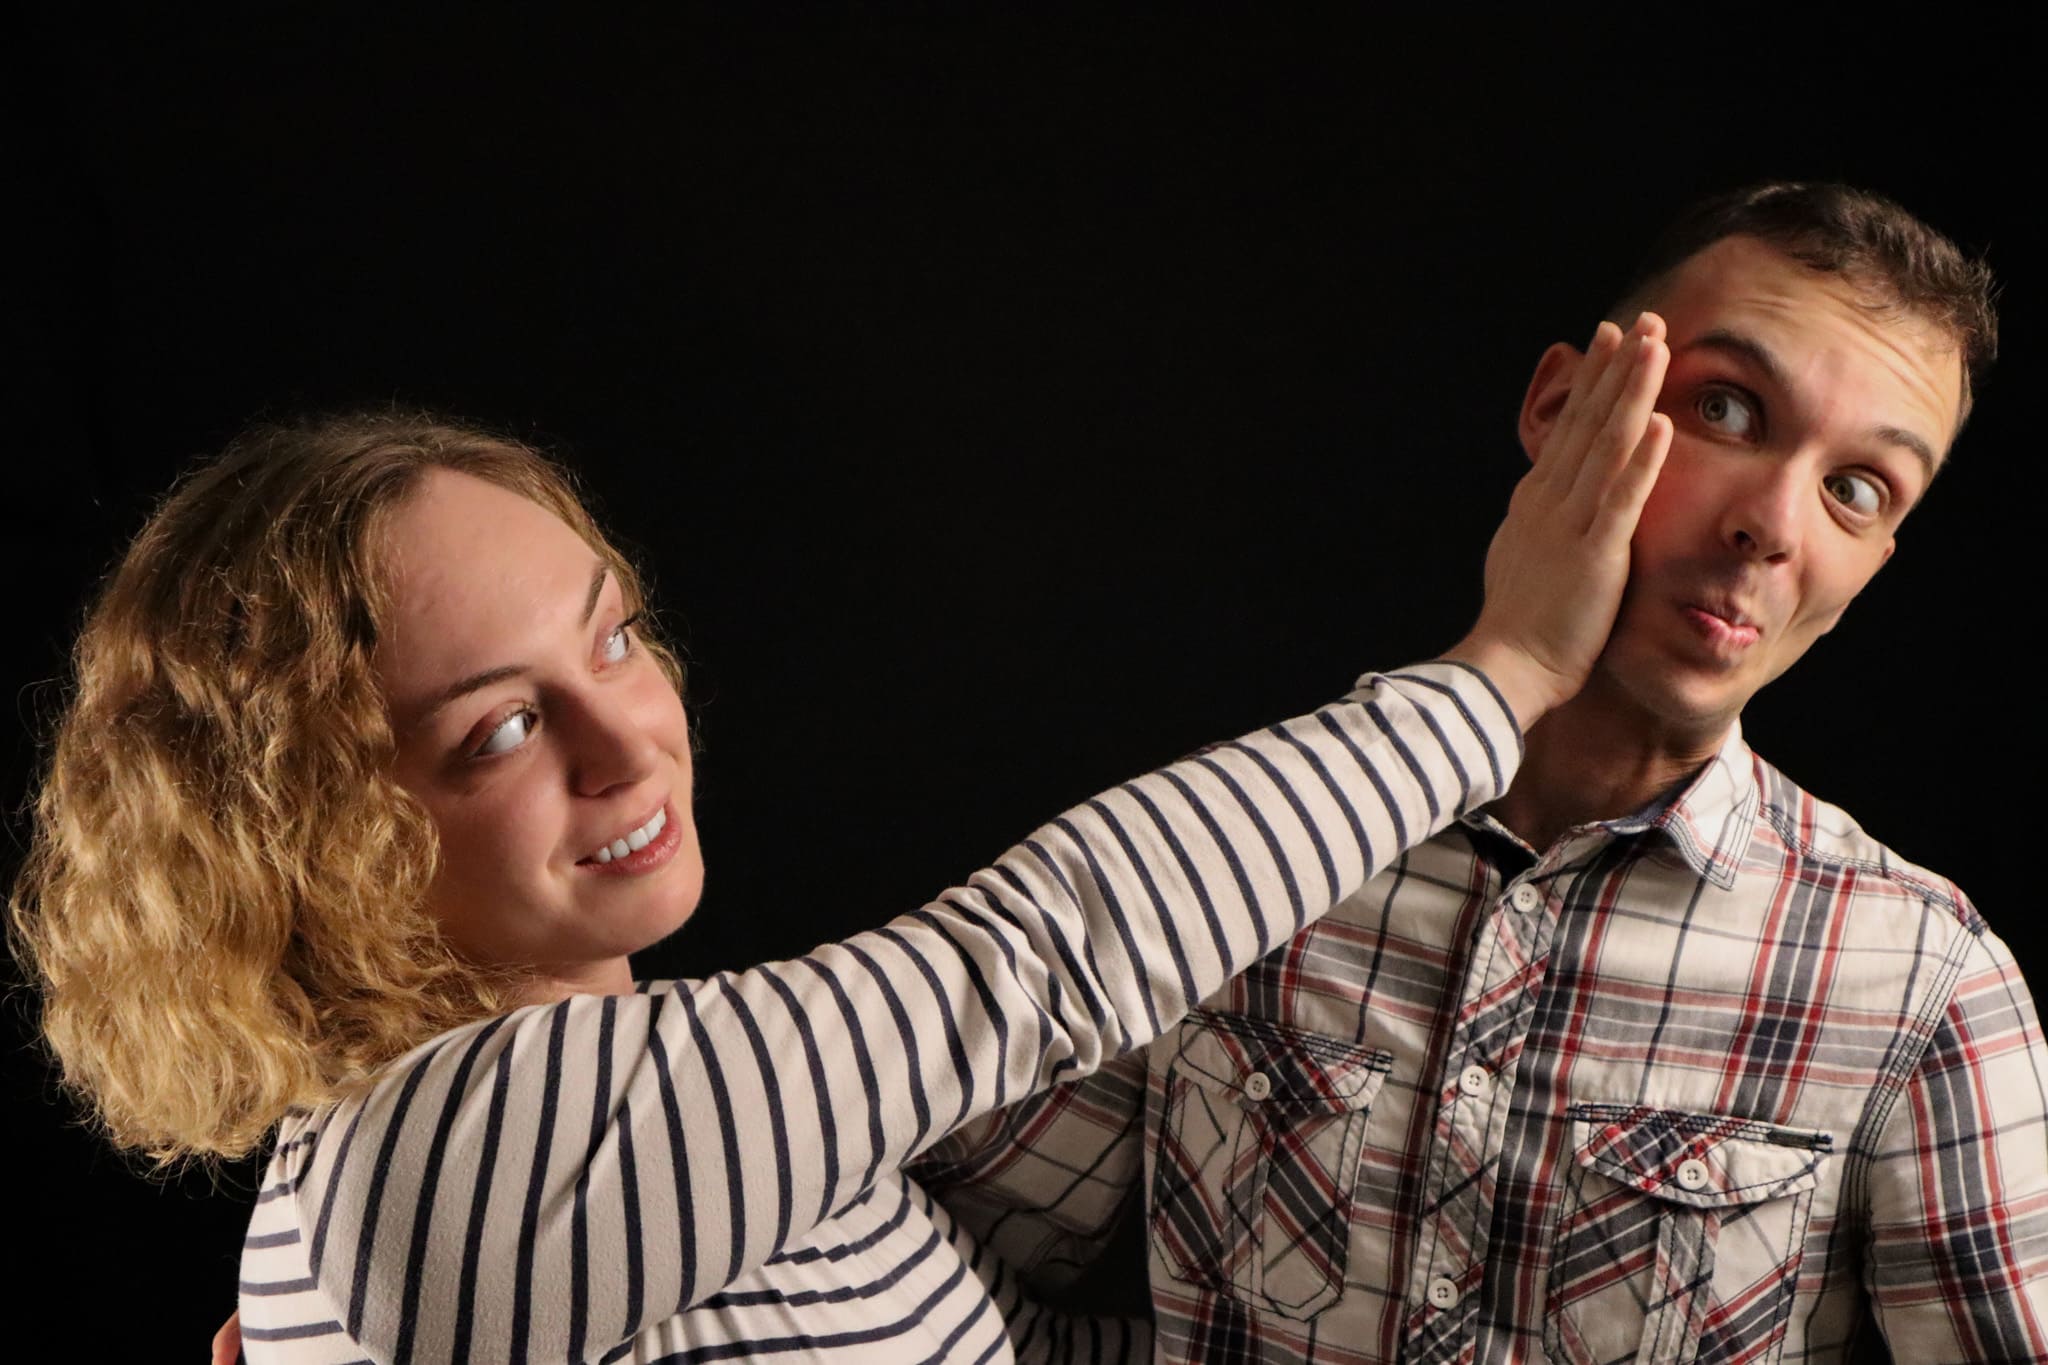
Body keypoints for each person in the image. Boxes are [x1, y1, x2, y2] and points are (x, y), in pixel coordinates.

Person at [12, 346, 1666, 1365]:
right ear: (302, 846)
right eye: (494, 731)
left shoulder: (635, 1121)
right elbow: (1033, 963)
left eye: (615, 636)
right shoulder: (445, 1157)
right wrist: (1504, 675)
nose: (627, 738)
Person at [919, 181, 2048, 1363]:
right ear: (1561, 407)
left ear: (1870, 561)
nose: (1771, 523)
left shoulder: (1921, 986)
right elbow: (943, 1252)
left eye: (1854, 489)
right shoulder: (1252, 861)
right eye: (1725, 408)